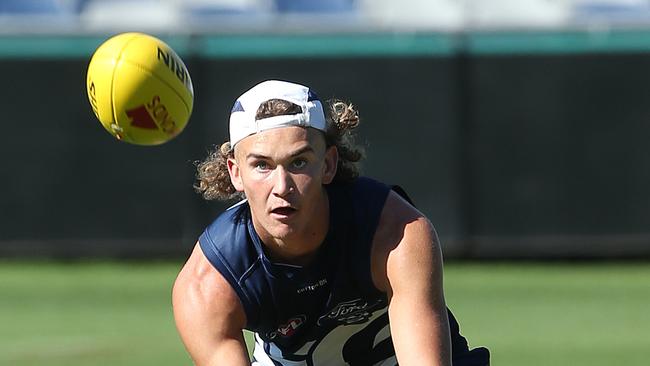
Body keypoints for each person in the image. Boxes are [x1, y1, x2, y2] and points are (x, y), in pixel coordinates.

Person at [172, 80, 489, 365]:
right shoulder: (209, 284)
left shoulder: (394, 233)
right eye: (262, 166)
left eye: (298, 162)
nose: (282, 186)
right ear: (235, 172)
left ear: (328, 164)